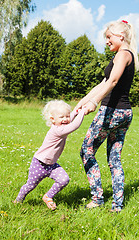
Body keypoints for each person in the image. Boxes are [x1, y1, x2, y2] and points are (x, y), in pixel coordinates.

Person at [75, 20, 139, 212]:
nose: (107, 41)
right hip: (125, 113)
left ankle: (97, 198)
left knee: (86, 151)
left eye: (109, 37)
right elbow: (102, 83)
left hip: (111, 112)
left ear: (121, 36)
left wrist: (94, 103)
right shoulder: (128, 56)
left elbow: (112, 81)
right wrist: (82, 102)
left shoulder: (123, 55)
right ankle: (117, 206)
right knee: (114, 159)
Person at [13, 100, 86, 210]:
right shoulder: (58, 130)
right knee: (30, 186)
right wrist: (82, 112)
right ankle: (18, 200)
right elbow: (74, 126)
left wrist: (75, 112)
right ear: (53, 119)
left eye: (67, 116)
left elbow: (69, 120)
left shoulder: (62, 125)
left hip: (51, 165)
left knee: (64, 180)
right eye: (62, 117)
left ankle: (48, 196)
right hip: (39, 164)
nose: (66, 119)